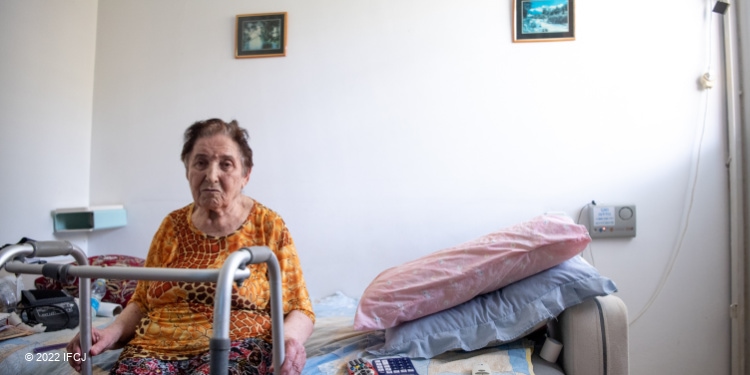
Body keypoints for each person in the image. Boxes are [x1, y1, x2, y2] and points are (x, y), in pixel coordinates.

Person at [66, 119, 315, 375]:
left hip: (237, 345)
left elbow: (300, 307)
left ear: (245, 174)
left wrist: (289, 341)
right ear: (188, 171)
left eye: (226, 164)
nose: (211, 175)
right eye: (200, 163)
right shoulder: (171, 226)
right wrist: (109, 334)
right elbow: (141, 301)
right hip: (153, 348)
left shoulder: (268, 225)